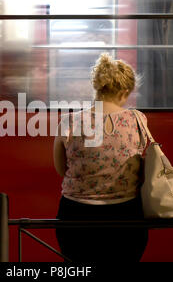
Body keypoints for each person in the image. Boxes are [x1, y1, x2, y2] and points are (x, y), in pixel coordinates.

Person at [53, 52, 149, 262]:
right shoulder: (137, 120)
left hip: (74, 217)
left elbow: (61, 169)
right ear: (124, 92)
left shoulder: (69, 121)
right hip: (126, 217)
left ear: (97, 87)